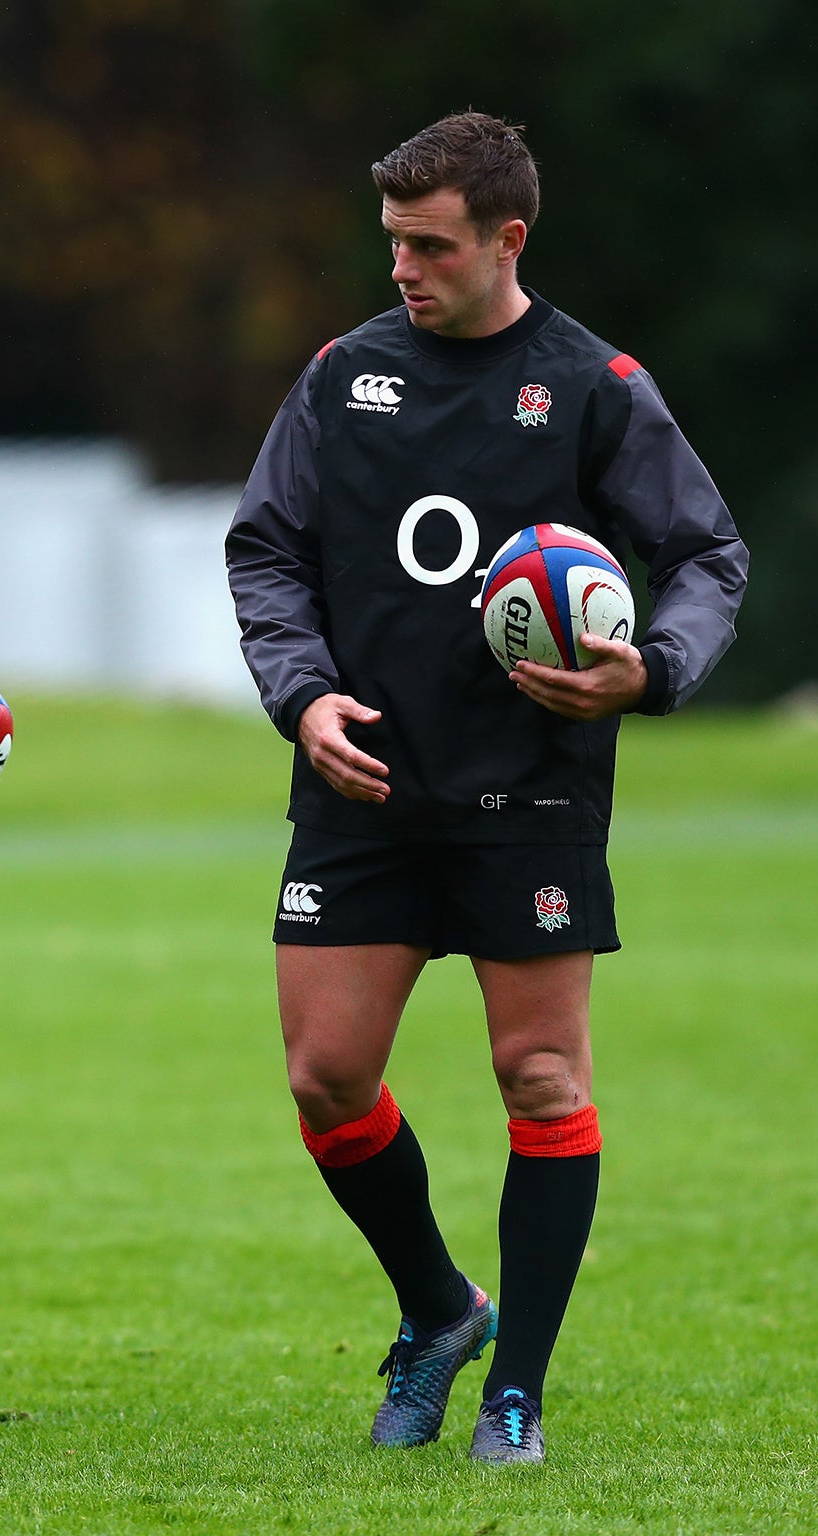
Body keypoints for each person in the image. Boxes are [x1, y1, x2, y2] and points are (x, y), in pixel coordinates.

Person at [226, 112, 747, 1464]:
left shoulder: (593, 386)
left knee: (541, 1076)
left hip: (532, 794)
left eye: (431, 246)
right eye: (393, 241)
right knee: (328, 1079)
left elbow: (707, 556)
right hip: (366, 785)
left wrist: (655, 670)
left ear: (507, 240)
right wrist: (302, 695)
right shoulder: (345, 375)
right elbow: (265, 549)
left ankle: (515, 1387)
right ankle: (439, 1309)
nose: (402, 266)